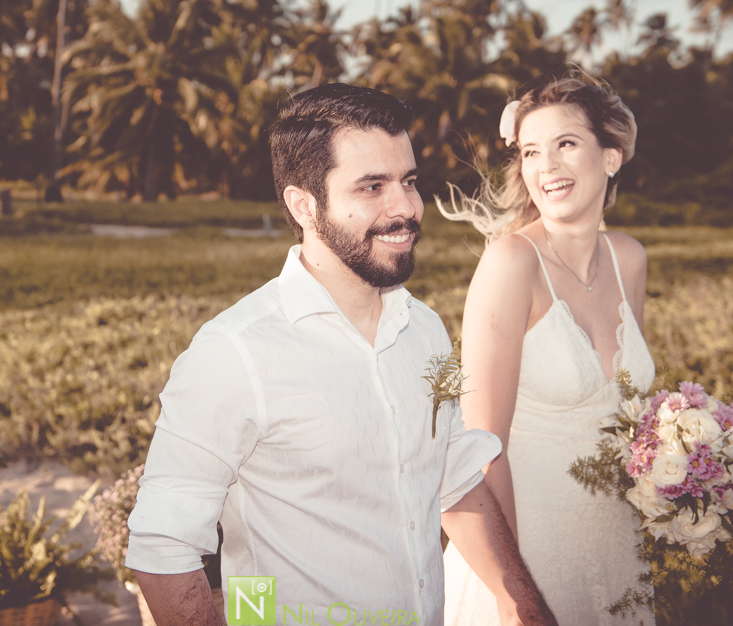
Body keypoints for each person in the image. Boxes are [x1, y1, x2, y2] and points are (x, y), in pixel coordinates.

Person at [126, 84, 557, 626]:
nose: (405, 208)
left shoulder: (424, 330)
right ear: (304, 205)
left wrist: (523, 605)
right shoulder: (234, 353)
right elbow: (162, 547)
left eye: (409, 182)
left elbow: (454, 476)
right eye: (371, 187)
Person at [440, 76, 656, 626]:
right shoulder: (512, 263)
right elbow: (479, 447)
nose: (546, 166)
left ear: (610, 158)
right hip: (529, 545)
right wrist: (516, 597)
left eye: (566, 144)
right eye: (531, 151)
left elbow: (626, 411)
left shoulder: (629, 257)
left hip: (616, 545)